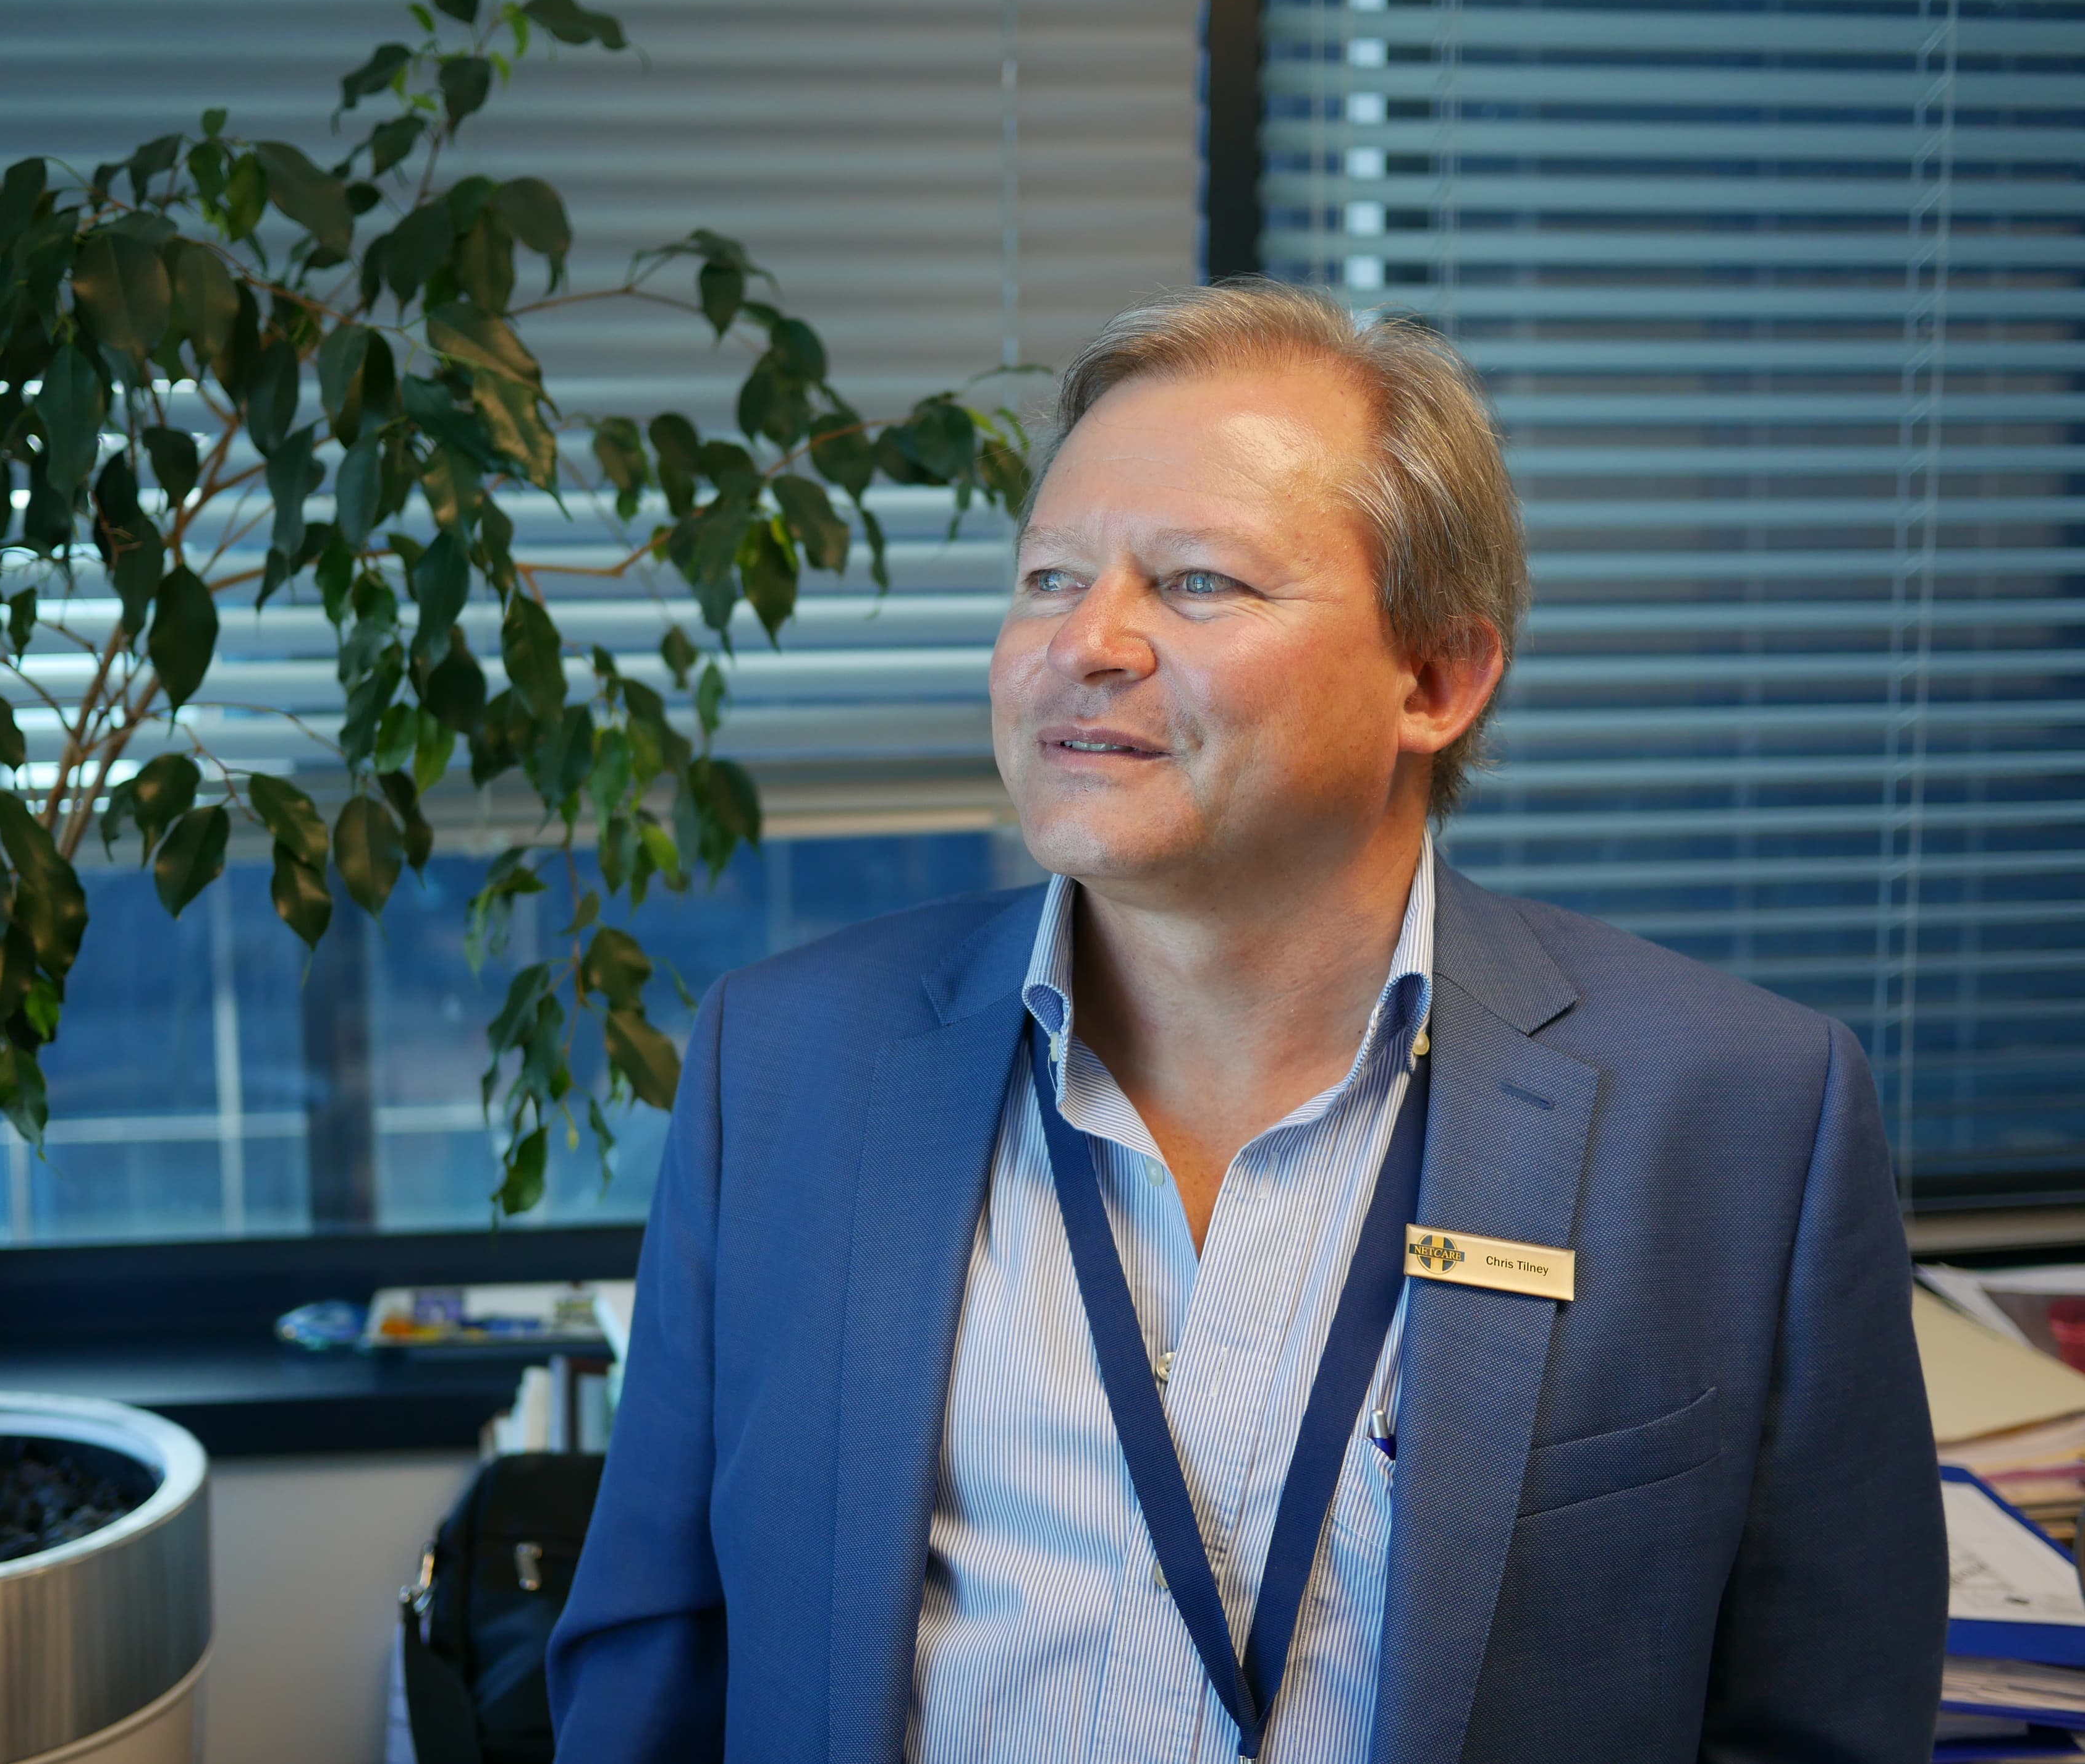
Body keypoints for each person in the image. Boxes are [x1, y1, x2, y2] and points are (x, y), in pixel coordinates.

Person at [548, 280, 1944, 1763]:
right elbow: (655, 1658)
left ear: (1437, 676)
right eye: (1047, 578)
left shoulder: (1740, 1114)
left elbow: (1821, 1723)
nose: (1086, 642)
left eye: (1197, 582)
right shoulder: (789, 1064)